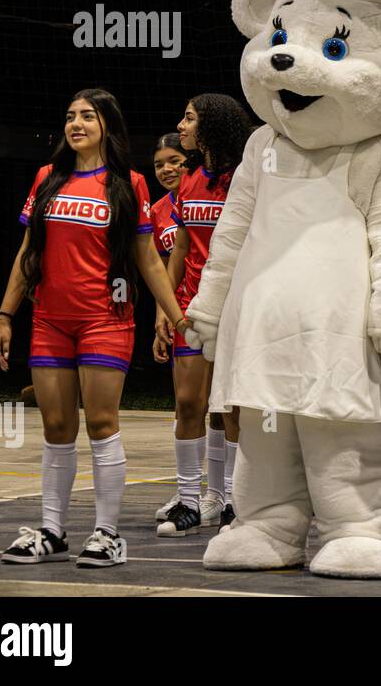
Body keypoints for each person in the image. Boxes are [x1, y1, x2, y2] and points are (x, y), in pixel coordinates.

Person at [0, 88, 190, 567]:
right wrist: (5, 315)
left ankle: (107, 535)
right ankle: (53, 531)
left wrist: (178, 318)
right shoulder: (47, 178)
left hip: (105, 319)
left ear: (107, 125)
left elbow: (147, 257)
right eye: (70, 116)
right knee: (56, 426)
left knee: (101, 425)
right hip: (49, 321)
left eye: (87, 116)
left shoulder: (129, 182)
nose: (75, 123)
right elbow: (27, 253)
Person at [154, 94, 253, 537]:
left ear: (212, 125)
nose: (182, 125)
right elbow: (179, 248)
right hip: (191, 311)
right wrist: (165, 305)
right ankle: (191, 501)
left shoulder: (244, 180)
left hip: (235, 308)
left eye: (190, 118)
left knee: (228, 408)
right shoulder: (189, 181)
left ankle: (231, 499)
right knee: (189, 403)